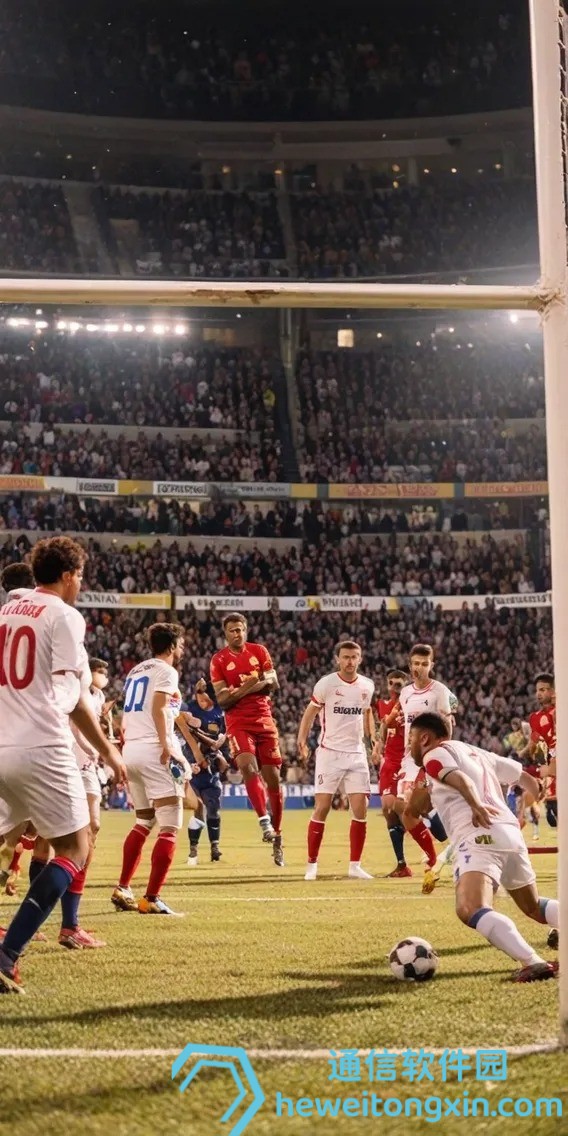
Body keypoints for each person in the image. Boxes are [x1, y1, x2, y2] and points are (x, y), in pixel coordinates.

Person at [0, 536, 124, 994]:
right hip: (41, 745)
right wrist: (107, 750)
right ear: (69, 575)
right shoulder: (65, 615)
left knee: (11, 842)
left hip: (1, 743)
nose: (81, 584)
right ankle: (7, 955)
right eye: (81, 576)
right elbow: (71, 696)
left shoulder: (6, 612)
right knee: (75, 848)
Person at [409, 712, 559, 982]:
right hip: (510, 834)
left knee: (470, 908)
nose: (409, 746)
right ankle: (533, 958)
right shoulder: (476, 752)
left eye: (411, 739)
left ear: (425, 738)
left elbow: (460, 780)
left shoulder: (434, 755)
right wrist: (536, 789)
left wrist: (476, 805)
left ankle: (532, 961)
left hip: (479, 833)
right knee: (533, 907)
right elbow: (522, 776)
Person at [111, 622, 196, 916]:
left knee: (144, 821)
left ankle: (123, 887)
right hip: (153, 750)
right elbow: (159, 706)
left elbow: (131, 711)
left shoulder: (136, 671)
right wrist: (166, 746)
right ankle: (152, 898)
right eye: (180, 645)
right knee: (170, 825)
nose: (182, 650)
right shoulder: (166, 671)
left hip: (132, 750)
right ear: (171, 646)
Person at [210, 613, 284, 867]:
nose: (237, 634)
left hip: (264, 719)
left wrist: (240, 691)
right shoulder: (219, 660)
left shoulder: (259, 651)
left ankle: (277, 835)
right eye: (232, 630)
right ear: (225, 633)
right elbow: (223, 701)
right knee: (247, 766)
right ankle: (264, 822)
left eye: (240, 629)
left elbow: (273, 684)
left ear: (246, 630)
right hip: (238, 722)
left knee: (273, 778)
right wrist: (253, 684)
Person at [297, 640, 375, 881]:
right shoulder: (327, 684)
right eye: (346, 657)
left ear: (360, 659)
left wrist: (373, 739)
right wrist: (302, 739)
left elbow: (367, 712)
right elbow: (310, 712)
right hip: (330, 753)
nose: (350, 661)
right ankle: (312, 864)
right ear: (338, 659)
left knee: (360, 809)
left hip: (356, 754)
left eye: (354, 657)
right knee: (322, 807)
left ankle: (355, 866)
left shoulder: (367, 686)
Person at [394, 644, 454, 892]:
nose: (419, 667)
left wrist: (443, 751)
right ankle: (440, 852)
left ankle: (436, 857)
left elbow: (448, 724)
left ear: (431, 665)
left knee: (410, 806)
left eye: (424, 664)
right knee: (404, 809)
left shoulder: (439, 691)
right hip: (410, 757)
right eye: (416, 663)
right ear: (410, 665)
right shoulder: (405, 693)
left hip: (430, 756)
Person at [183, 679, 229, 865]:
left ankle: (214, 847)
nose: (201, 702)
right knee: (198, 808)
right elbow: (184, 731)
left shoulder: (220, 712)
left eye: (204, 700)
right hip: (191, 768)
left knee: (213, 809)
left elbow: (222, 740)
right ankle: (193, 850)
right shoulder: (189, 708)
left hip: (210, 770)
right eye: (199, 698)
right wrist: (190, 761)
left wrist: (220, 757)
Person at [376, 669, 410, 878]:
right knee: (389, 812)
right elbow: (384, 728)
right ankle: (402, 865)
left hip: (407, 762)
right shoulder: (383, 704)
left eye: (399, 684)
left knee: (406, 811)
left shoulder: (411, 704)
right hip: (389, 763)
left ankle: (434, 855)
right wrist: (377, 746)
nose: (395, 688)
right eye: (392, 684)